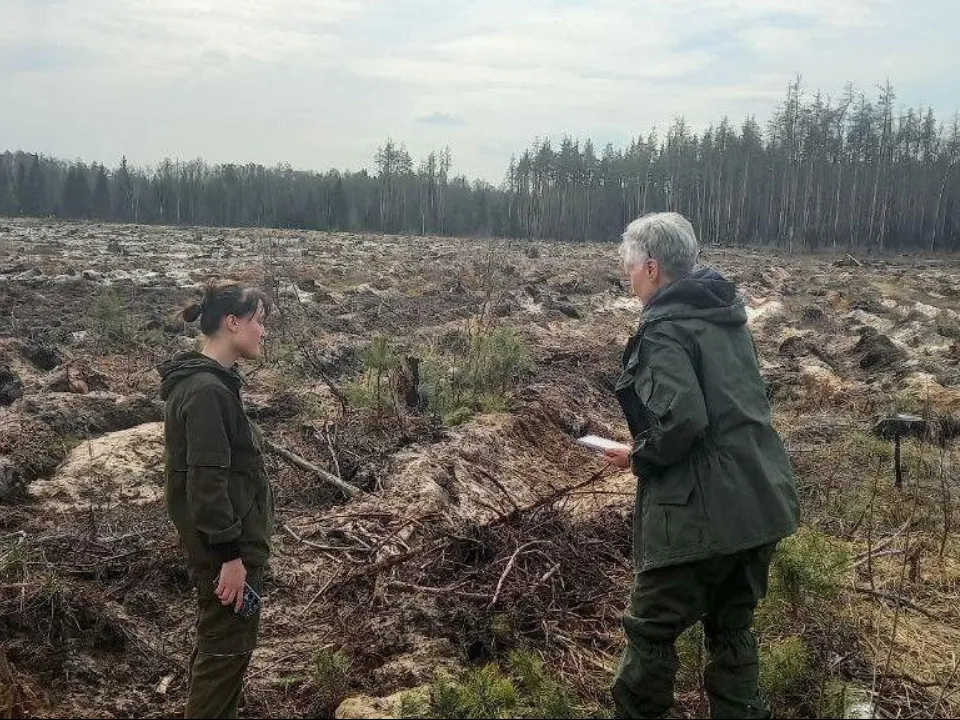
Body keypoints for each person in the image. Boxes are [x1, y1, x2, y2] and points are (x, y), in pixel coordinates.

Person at [602, 213, 798, 719]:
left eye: (629, 267)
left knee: (649, 634)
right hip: (761, 500)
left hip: (702, 514)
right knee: (733, 632)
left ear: (651, 267)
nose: (627, 277)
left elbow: (682, 421)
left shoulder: (664, 331)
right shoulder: (724, 315)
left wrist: (637, 455)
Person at [158, 281, 273, 719]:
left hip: (229, 548)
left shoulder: (212, 385)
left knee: (223, 652)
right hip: (226, 553)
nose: (262, 332)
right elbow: (205, 485)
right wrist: (230, 556)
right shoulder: (206, 391)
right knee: (223, 657)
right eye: (258, 322)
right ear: (232, 323)